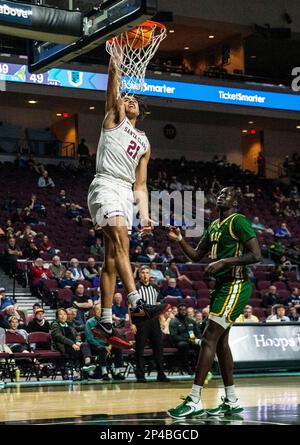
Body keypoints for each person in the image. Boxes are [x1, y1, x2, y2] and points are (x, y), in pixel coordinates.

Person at [87, 54, 167, 347]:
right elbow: (112, 83)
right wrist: (115, 61)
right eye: (126, 98)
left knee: (111, 258)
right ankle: (135, 301)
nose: (130, 100)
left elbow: (142, 184)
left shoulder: (145, 142)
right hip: (105, 185)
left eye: (135, 100)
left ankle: (106, 321)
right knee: (120, 240)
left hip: (125, 192)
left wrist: (144, 214)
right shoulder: (112, 118)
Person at [166, 187, 261, 418]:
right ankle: (231, 400)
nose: (221, 195)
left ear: (236, 201)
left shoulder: (238, 221)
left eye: (227, 194)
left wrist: (225, 261)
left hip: (236, 285)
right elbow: (197, 255)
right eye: (219, 193)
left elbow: (256, 255)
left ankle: (195, 400)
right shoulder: (214, 226)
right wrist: (179, 239)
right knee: (219, 343)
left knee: (208, 337)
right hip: (221, 288)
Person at [131, 265, 169, 382]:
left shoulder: (155, 288)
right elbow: (130, 307)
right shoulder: (135, 288)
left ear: (150, 275)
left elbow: (158, 306)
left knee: (158, 348)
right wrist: (132, 323)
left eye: (147, 273)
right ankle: (140, 375)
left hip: (154, 321)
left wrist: (162, 319)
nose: (145, 275)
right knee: (140, 349)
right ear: (140, 274)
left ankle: (161, 374)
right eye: (143, 273)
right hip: (140, 321)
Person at [85, 303, 125, 381]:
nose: (100, 311)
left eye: (101, 310)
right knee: (102, 349)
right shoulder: (89, 322)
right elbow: (90, 339)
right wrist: (104, 346)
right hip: (94, 344)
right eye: (98, 310)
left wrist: (110, 345)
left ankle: (117, 372)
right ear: (94, 312)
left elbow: (112, 335)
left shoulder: (107, 322)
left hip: (107, 344)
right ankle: (104, 373)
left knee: (118, 348)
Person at [51, 308, 95, 374]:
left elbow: (77, 334)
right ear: (57, 316)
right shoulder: (55, 325)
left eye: (64, 314)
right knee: (83, 351)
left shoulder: (69, 324)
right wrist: (72, 344)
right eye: (60, 314)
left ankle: (87, 364)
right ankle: (86, 371)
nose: (63, 316)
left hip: (73, 345)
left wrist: (78, 342)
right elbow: (59, 337)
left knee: (85, 345)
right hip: (63, 347)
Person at [169, 304, 201, 374]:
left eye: (184, 310)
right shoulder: (174, 321)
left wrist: (199, 339)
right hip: (179, 341)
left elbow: (197, 332)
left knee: (200, 345)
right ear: (178, 311)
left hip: (191, 340)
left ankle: (198, 367)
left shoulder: (191, 320)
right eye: (181, 310)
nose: (183, 311)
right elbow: (173, 336)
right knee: (183, 345)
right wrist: (187, 339)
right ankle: (186, 367)